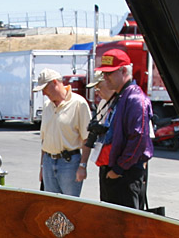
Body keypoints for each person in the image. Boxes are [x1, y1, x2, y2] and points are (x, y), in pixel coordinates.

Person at [95, 48, 153, 209]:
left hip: (125, 173)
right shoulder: (120, 97)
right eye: (104, 73)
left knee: (125, 225)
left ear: (124, 71)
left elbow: (138, 138)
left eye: (109, 73)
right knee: (111, 222)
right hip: (114, 169)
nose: (105, 77)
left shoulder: (135, 99)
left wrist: (119, 169)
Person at [35, 68, 92, 196]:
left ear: (55, 82)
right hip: (48, 162)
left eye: (45, 88)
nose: (44, 93)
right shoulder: (46, 106)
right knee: (52, 206)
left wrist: (83, 166)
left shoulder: (79, 104)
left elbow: (87, 138)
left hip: (69, 164)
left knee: (69, 207)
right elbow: (45, 139)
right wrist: (42, 167)